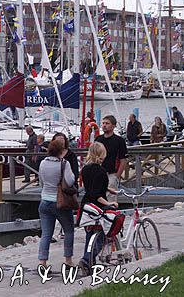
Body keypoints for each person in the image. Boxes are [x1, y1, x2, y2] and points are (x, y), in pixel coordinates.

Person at [78, 142, 118, 275]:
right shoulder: (101, 171)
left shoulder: (85, 169)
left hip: (86, 206)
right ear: (101, 154)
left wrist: (107, 188)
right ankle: (86, 259)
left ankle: (89, 263)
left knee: (90, 235)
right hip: (97, 207)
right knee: (102, 236)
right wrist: (109, 203)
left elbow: (92, 186)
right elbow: (97, 194)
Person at [38, 139, 76, 268]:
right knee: (69, 230)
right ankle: (68, 260)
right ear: (61, 151)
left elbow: (41, 181)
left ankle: (42, 262)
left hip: (44, 201)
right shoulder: (64, 164)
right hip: (60, 202)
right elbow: (70, 181)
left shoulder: (43, 163)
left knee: (46, 234)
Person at [95, 115, 128, 202]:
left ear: (113, 126)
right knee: (97, 196)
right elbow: (93, 156)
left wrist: (117, 176)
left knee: (110, 198)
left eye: (107, 123)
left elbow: (123, 159)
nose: (104, 125)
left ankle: (111, 214)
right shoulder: (98, 139)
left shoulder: (119, 140)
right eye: (103, 123)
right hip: (98, 173)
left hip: (112, 174)